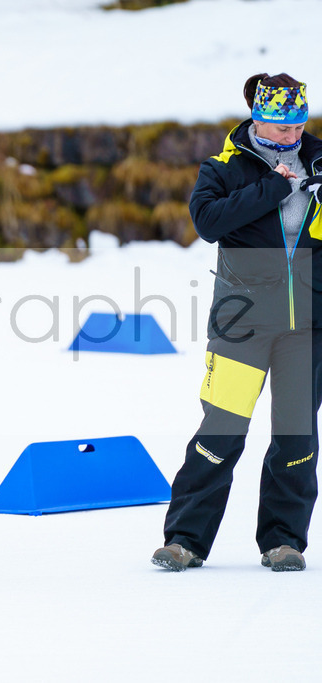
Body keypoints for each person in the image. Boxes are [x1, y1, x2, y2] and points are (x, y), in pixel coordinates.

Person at [153, 73, 322, 572]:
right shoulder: (224, 167)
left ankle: (283, 540)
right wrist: (273, 188)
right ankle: (185, 540)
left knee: (295, 437)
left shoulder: (319, 161)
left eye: (298, 126)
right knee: (221, 432)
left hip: (306, 326)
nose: (290, 136)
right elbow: (208, 222)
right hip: (241, 323)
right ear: (256, 117)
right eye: (278, 126)